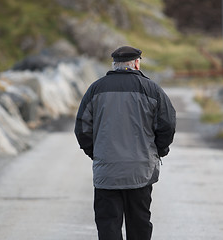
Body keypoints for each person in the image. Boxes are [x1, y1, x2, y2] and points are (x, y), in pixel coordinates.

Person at [74, 46, 176, 240]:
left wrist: (96, 153)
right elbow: (167, 124)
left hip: (107, 171)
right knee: (139, 225)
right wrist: (158, 150)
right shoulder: (152, 89)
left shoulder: (96, 89)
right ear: (137, 63)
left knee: (108, 227)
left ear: (114, 64)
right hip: (141, 171)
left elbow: (82, 128)